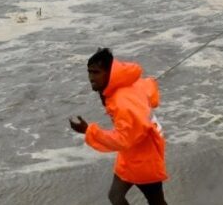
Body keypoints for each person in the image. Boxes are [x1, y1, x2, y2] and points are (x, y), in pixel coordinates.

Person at [70, 48, 168, 205]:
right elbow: (149, 89)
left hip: (144, 157)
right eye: (89, 72)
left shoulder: (122, 103)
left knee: (155, 201)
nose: (91, 78)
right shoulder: (127, 84)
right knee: (115, 196)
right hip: (130, 154)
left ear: (110, 73)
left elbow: (123, 140)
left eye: (96, 73)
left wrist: (88, 131)